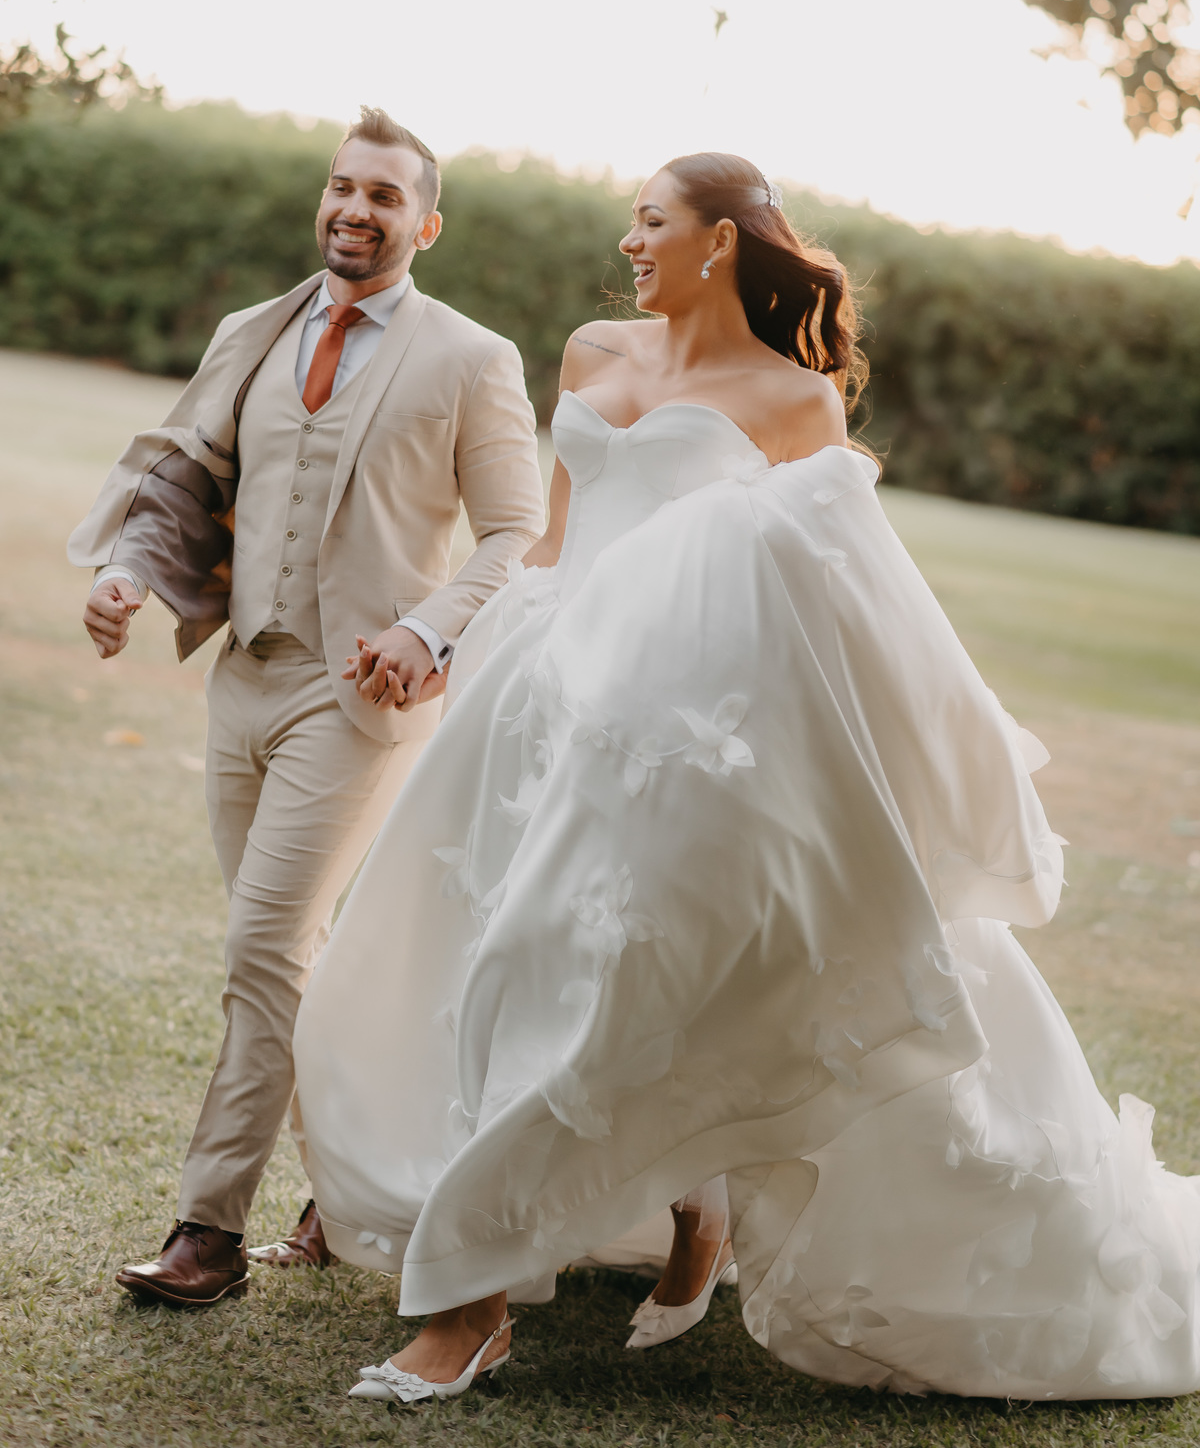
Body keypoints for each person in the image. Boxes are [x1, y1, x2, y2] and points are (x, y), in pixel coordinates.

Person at [293, 151, 1200, 1404]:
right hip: (538, 700)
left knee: (561, 967)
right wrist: (463, 649)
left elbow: (845, 597)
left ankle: (472, 1304)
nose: (630, 242)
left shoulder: (794, 400)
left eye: (652, 221)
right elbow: (554, 539)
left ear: (718, 240)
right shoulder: (591, 353)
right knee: (482, 961)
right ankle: (682, 1209)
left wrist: (917, 752)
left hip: (675, 735)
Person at [68, 107, 545, 1307]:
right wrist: (127, 574)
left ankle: (207, 1233)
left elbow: (515, 532)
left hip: (357, 698)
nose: (354, 209)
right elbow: (184, 476)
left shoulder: (470, 357)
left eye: (384, 195)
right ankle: (351, 1191)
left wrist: (428, 627)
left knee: (263, 949)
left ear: (425, 224)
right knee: (296, 964)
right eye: (342, 186)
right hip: (243, 678)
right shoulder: (254, 330)